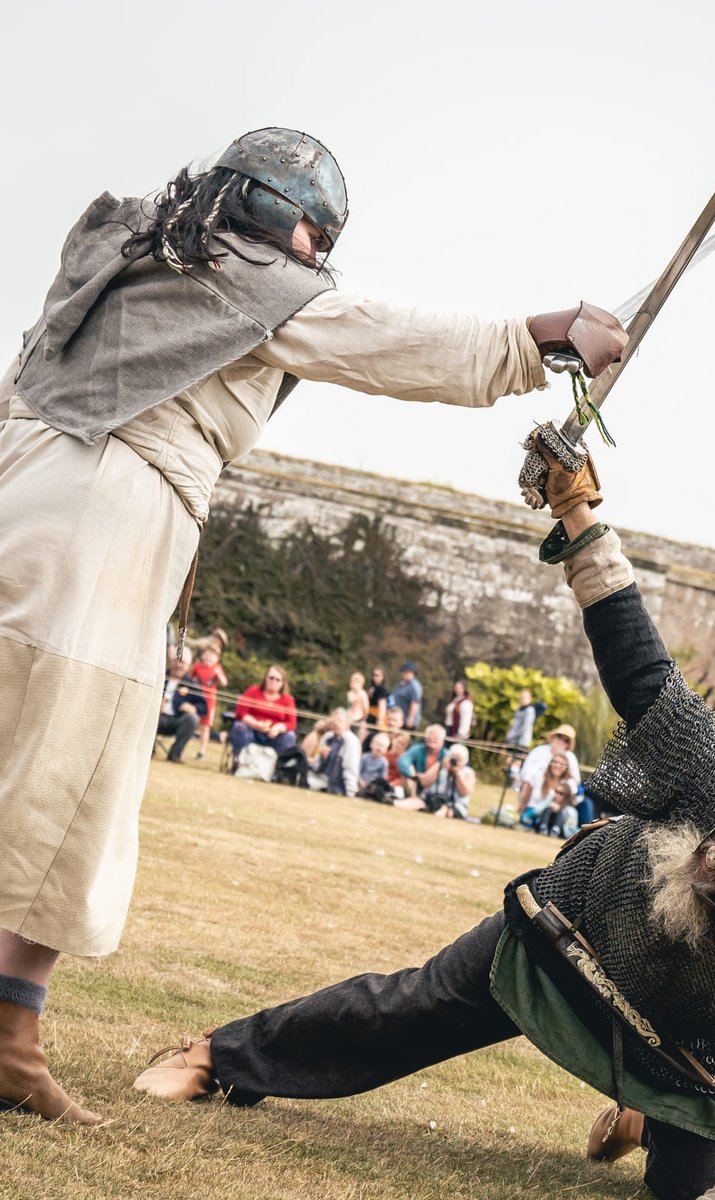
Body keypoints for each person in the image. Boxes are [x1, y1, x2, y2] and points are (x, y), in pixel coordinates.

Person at [0, 122, 625, 1123]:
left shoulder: (134, 240)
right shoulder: (244, 271)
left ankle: (7, 1032)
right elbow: (374, 333)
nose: (315, 262)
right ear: (286, 219)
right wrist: (536, 338)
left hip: (22, 486)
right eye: (315, 239)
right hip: (103, 521)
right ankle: (7, 1035)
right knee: (68, 780)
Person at [133, 441, 715, 1200]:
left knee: (696, 1188)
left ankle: (646, 1112)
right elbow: (639, 664)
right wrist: (579, 518)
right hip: (569, 935)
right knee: (408, 1007)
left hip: (681, 1053)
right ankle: (215, 1055)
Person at [228, 666, 298, 764]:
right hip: (252, 732)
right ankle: (237, 760)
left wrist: (278, 728)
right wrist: (255, 724)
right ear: (265, 678)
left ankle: (279, 767)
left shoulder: (288, 700)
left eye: (278, 680)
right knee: (239, 726)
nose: (274, 681)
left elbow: (292, 723)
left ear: (282, 683)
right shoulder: (253, 691)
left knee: (290, 736)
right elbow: (240, 712)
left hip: (274, 736)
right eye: (271, 678)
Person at [157, 649, 207, 764]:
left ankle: (175, 754)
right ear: (170, 661)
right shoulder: (160, 676)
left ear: (188, 666)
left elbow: (203, 706)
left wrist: (193, 708)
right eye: (176, 661)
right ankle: (148, 750)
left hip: (176, 720)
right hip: (157, 717)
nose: (178, 665)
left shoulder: (192, 684)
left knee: (191, 718)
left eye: (182, 662)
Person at [301, 708, 362, 797]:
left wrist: (351, 792)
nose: (336, 724)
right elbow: (316, 765)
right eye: (334, 721)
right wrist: (321, 757)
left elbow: (350, 768)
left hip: (337, 785)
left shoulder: (351, 741)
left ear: (348, 724)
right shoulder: (327, 737)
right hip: (320, 777)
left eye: (339, 721)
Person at [410, 743, 476, 819]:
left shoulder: (468, 772)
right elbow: (424, 782)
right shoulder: (441, 766)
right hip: (433, 800)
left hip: (454, 806)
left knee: (444, 810)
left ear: (465, 761)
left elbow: (464, 792)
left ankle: (433, 820)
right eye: (453, 758)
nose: (455, 762)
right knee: (415, 803)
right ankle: (393, 802)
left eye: (459, 759)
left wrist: (457, 774)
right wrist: (439, 766)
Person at [519, 751, 576, 830]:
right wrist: (520, 813)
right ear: (550, 763)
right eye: (555, 762)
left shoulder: (569, 783)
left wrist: (559, 807)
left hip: (555, 816)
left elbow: (571, 804)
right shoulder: (537, 776)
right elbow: (524, 799)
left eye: (562, 764)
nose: (557, 765)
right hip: (534, 812)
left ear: (566, 767)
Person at [190, 641, 228, 758]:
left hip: (209, 702)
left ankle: (201, 751)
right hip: (196, 699)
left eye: (211, 655)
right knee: (192, 721)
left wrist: (219, 675)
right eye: (206, 654)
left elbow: (224, 683)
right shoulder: (197, 666)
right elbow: (190, 679)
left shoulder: (217, 668)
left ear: (216, 658)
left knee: (205, 727)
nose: (208, 657)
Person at [396, 724, 448, 798]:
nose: (432, 739)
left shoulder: (446, 755)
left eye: (435, 737)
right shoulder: (418, 749)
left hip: (436, 788)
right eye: (430, 736)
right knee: (409, 768)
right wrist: (413, 775)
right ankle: (413, 797)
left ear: (442, 740)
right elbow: (402, 761)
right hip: (417, 785)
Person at [392, 662, 423, 731]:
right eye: (404, 672)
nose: (406, 674)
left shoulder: (414, 685)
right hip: (398, 719)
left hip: (407, 720)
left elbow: (415, 702)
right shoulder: (400, 685)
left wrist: (410, 718)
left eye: (408, 672)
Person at [364, 667, 390, 733]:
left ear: (383, 677)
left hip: (376, 715)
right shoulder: (372, 688)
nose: (375, 677)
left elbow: (382, 704)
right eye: (374, 675)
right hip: (370, 714)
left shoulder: (381, 689)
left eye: (378, 675)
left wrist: (380, 719)